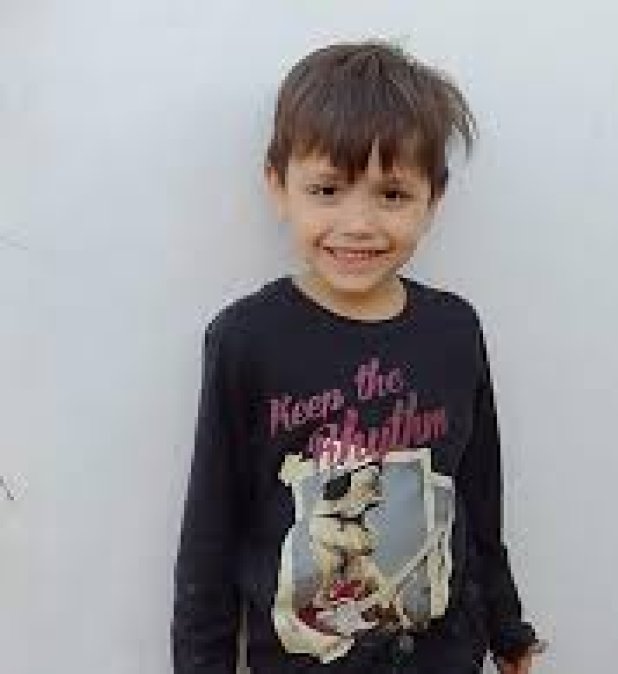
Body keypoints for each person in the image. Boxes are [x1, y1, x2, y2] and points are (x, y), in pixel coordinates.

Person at [172, 39, 544, 674]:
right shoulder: (247, 340)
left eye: (392, 195)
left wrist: (508, 629)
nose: (359, 223)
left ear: (434, 198)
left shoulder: (454, 331)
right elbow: (210, 538)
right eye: (327, 189)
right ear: (277, 186)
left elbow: (480, 501)